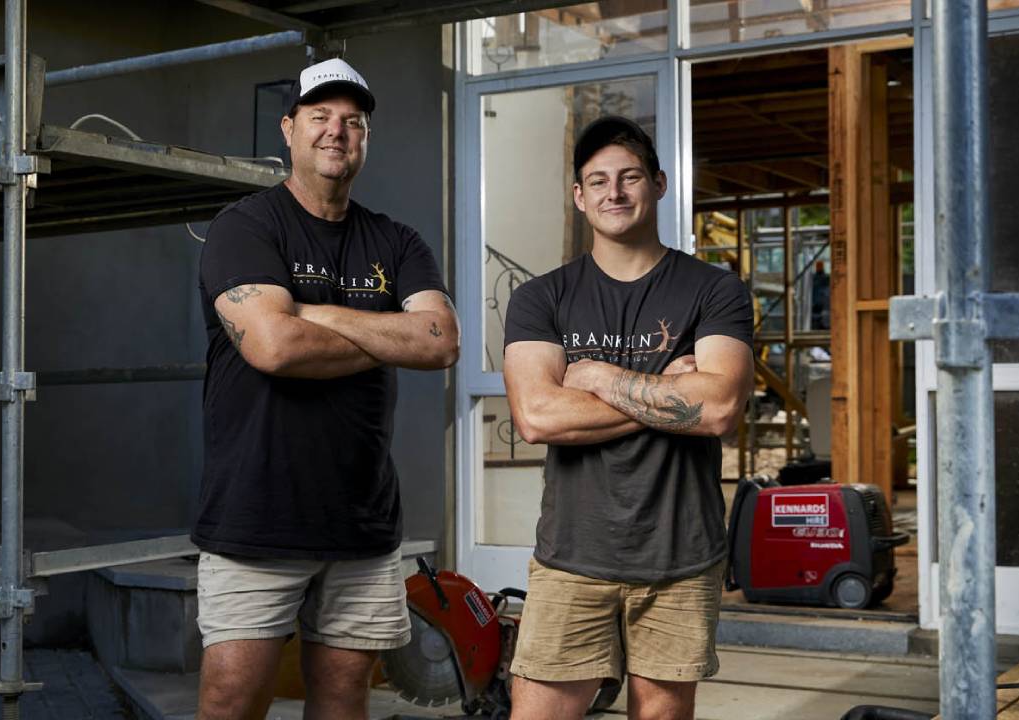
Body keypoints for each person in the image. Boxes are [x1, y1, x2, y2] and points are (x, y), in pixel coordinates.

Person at [193, 57, 459, 720]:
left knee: (344, 701)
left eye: (352, 121)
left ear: (365, 138)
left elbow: (439, 342)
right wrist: (386, 332)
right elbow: (273, 347)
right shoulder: (246, 226)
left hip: (362, 521)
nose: (337, 131)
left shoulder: (396, 241)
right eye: (320, 116)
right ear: (289, 129)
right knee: (230, 702)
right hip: (257, 515)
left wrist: (312, 313)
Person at [501, 116, 754, 720]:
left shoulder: (714, 290)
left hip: (680, 557)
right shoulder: (542, 297)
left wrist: (596, 376)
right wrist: (672, 392)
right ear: (579, 195)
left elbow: (719, 407)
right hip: (572, 556)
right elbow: (537, 417)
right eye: (598, 181)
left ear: (659, 184)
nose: (614, 192)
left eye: (630, 177)